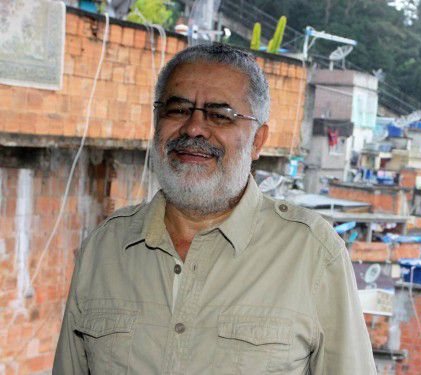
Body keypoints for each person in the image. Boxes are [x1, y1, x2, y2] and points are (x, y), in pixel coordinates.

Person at [53, 43, 376, 375]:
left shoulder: (312, 253)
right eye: (177, 110)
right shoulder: (104, 247)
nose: (193, 128)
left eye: (220, 115)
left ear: (258, 141)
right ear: (155, 124)